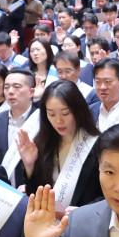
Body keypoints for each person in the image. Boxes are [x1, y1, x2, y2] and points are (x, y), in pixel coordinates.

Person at [16, 80, 103, 210]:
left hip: (82, 224)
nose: (58, 121)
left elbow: (106, 196)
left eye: (65, 113)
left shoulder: (98, 145)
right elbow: (35, 194)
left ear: (78, 110)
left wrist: (83, 213)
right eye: (51, 114)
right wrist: (30, 166)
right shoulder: (42, 144)